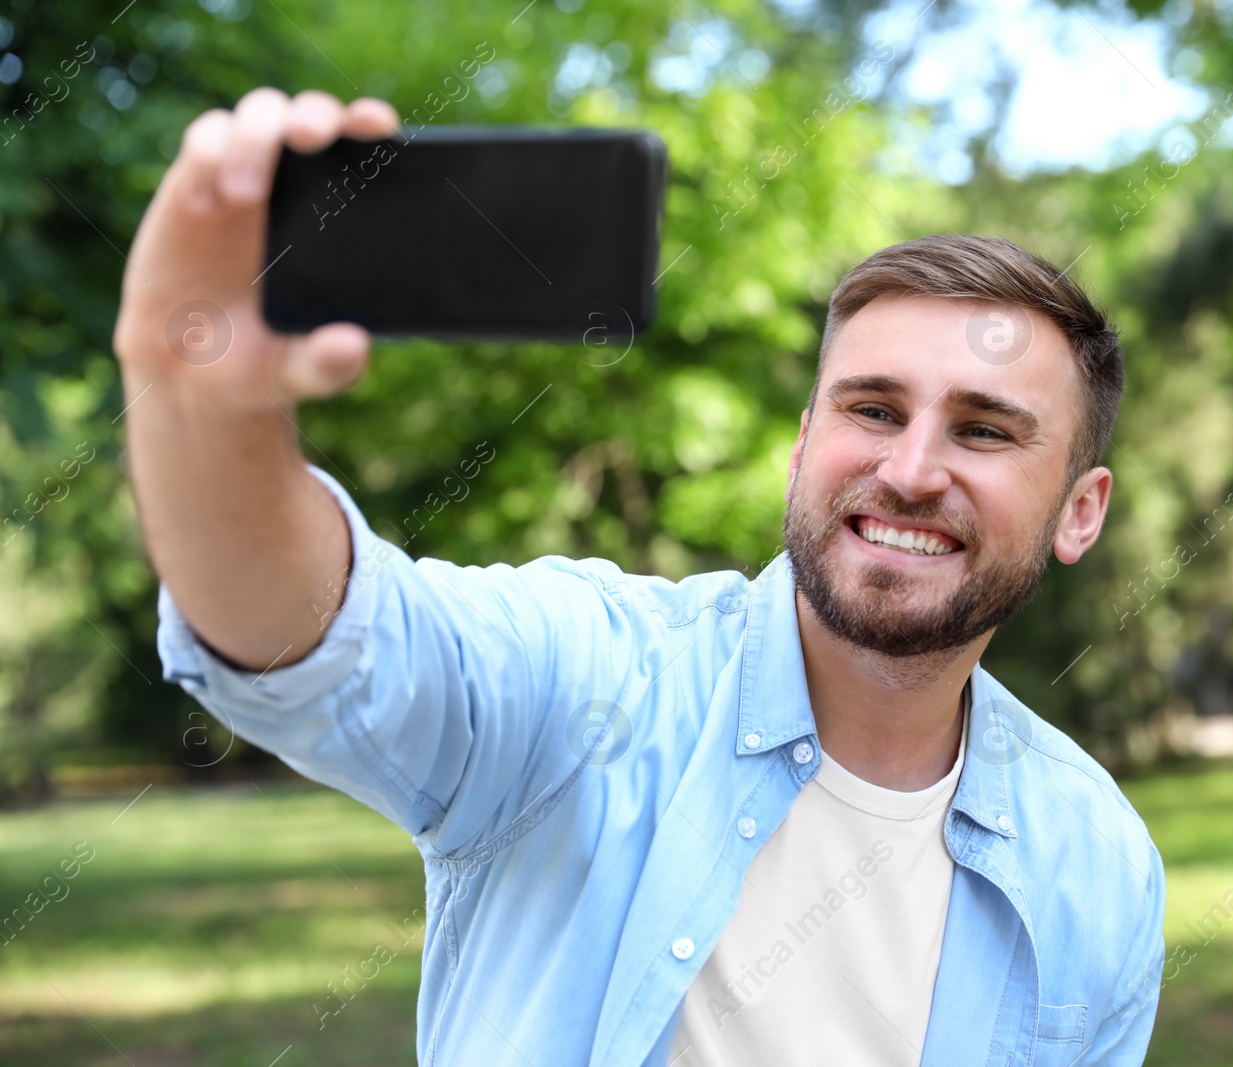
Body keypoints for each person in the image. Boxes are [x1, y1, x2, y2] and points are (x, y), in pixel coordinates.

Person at [114, 87, 1165, 1067]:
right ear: (804, 446)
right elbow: (322, 642)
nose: (909, 469)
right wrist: (206, 410)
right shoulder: (591, 679)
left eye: (983, 429)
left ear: (1081, 510)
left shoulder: (1096, 861)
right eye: (872, 409)